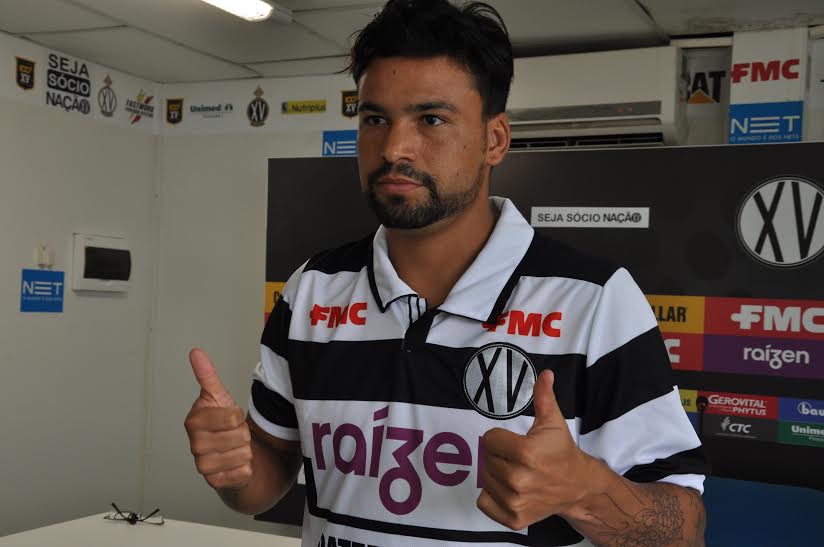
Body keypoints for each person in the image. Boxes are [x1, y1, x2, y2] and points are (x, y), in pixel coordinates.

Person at [184, 1, 709, 545]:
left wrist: (582, 492)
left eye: (431, 119)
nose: (394, 148)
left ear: (494, 140)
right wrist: (236, 465)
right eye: (375, 119)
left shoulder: (594, 300)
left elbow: (685, 532)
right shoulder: (312, 288)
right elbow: (265, 478)